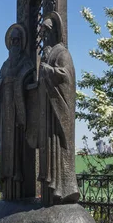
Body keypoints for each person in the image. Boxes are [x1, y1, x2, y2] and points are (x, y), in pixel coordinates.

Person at [37, 12, 80, 206]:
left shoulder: (63, 53)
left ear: (55, 33)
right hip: (48, 113)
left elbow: (66, 78)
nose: (44, 36)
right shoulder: (49, 52)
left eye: (47, 32)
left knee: (60, 149)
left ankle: (64, 189)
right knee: (49, 149)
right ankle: (53, 186)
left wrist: (46, 69)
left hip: (58, 111)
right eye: (43, 32)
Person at [0, 24, 37, 200]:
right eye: (12, 40)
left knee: (18, 144)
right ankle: (7, 177)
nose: (14, 44)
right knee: (6, 144)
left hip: (18, 110)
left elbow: (29, 77)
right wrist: (1, 84)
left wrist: (16, 83)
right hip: (6, 111)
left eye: (18, 40)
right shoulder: (5, 64)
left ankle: (18, 175)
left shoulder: (26, 62)